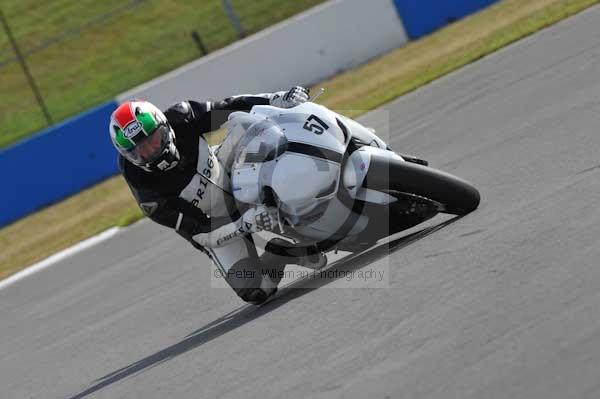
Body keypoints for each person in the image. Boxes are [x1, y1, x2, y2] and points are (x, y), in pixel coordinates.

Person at [109, 87, 326, 305]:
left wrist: (277, 98)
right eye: (140, 150)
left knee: (256, 129)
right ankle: (281, 253)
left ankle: (317, 175)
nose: (151, 151)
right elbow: (200, 234)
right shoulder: (143, 188)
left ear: (164, 127)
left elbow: (228, 107)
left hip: (228, 171)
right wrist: (245, 224)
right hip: (215, 224)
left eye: (153, 139)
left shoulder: (182, 117)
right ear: (129, 155)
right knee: (257, 291)